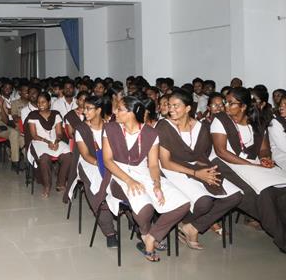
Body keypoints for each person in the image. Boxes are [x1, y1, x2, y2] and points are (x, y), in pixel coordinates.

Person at [102, 96, 190, 262]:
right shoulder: (111, 129)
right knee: (145, 208)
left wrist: (157, 184)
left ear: (132, 113)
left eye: (119, 109)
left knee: (183, 203)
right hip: (118, 174)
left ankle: (151, 237)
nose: (115, 112)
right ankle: (145, 233)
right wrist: (129, 180)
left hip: (144, 172)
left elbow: (153, 165)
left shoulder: (150, 133)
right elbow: (107, 160)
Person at [157, 89, 242, 250]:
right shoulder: (164, 126)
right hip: (172, 169)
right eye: (169, 105)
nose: (171, 109)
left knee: (235, 196)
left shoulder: (201, 127)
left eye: (176, 106)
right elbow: (166, 163)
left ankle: (192, 226)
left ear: (188, 108)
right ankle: (181, 221)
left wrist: (206, 172)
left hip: (197, 165)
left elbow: (203, 155)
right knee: (204, 202)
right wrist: (197, 174)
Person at [210, 87, 286, 252]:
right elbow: (221, 151)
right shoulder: (220, 120)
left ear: (243, 106)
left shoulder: (256, 120)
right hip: (227, 164)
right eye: (225, 102)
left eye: (230, 103)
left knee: (282, 188)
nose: (225, 106)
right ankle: (282, 239)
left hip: (253, 163)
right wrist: (252, 165)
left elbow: (264, 149)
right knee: (265, 194)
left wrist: (265, 158)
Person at [66, 95, 118, 247]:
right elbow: (85, 154)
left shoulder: (110, 126)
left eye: (88, 109)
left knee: (123, 180)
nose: (84, 112)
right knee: (97, 185)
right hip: (89, 163)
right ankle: (109, 231)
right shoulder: (81, 128)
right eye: (84, 108)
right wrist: (101, 164)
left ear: (99, 110)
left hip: (107, 161)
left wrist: (110, 164)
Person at [26, 92, 72, 198]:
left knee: (68, 155)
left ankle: (60, 183)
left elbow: (59, 133)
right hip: (39, 142)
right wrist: (48, 142)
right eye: (38, 103)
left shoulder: (56, 114)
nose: (40, 105)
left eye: (43, 102)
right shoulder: (33, 115)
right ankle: (47, 185)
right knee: (44, 158)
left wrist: (56, 141)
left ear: (49, 103)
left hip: (54, 140)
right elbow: (34, 135)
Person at [268, 97, 286, 170]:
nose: (281, 107)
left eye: (285, 104)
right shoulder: (275, 123)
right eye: (281, 105)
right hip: (282, 156)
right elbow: (284, 147)